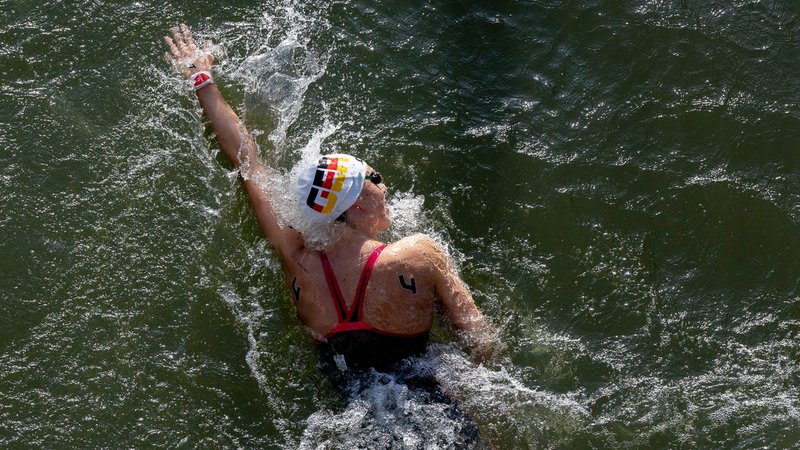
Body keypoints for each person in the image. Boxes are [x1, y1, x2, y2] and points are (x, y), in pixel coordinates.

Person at [164, 26, 496, 441]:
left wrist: (202, 80)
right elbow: (479, 340)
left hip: (358, 425)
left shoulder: (298, 263)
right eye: (375, 178)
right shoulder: (417, 254)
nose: (385, 186)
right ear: (356, 203)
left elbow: (248, 163)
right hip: (436, 416)